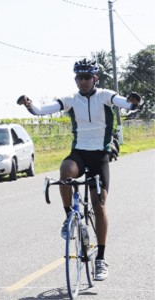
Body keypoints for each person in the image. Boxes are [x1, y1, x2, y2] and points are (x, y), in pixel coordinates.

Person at [17, 58, 142, 281]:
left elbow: (124, 102)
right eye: (79, 78)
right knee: (65, 169)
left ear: (96, 78)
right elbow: (42, 110)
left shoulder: (105, 95)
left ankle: (101, 259)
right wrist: (29, 104)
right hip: (80, 153)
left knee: (99, 204)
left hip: (100, 155)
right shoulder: (71, 100)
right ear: (75, 80)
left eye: (87, 77)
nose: (83, 82)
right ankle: (68, 217)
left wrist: (132, 102)